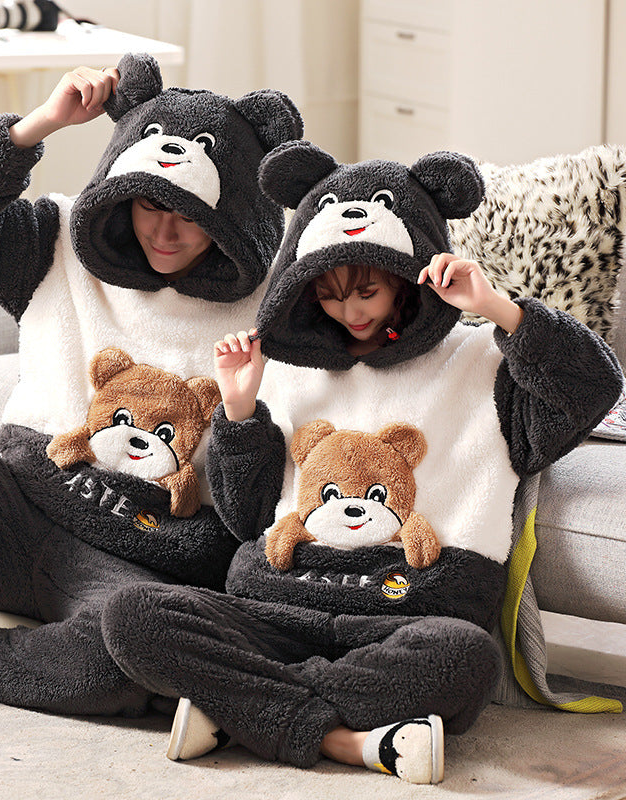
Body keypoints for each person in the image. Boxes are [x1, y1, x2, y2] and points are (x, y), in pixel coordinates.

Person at [100, 142, 623, 784]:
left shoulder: (485, 362)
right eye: (327, 294)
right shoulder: (286, 369)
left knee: (463, 658)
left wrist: (497, 307)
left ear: (408, 273)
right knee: (134, 615)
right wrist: (238, 410)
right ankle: (352, 742)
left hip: (408, 613)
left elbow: (594, 385)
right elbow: (246, 518)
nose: (350, 313)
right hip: (277, 603)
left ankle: (242, 711)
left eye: (368, 291)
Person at [0, 53, 303, 725]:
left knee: (122, 659)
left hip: (137, 567)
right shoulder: (58, 243)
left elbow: (261, 491)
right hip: (10, 523)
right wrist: (41, 124)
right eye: (148, 204)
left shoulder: (275, 307)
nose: (164, 232)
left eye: (190, 216)